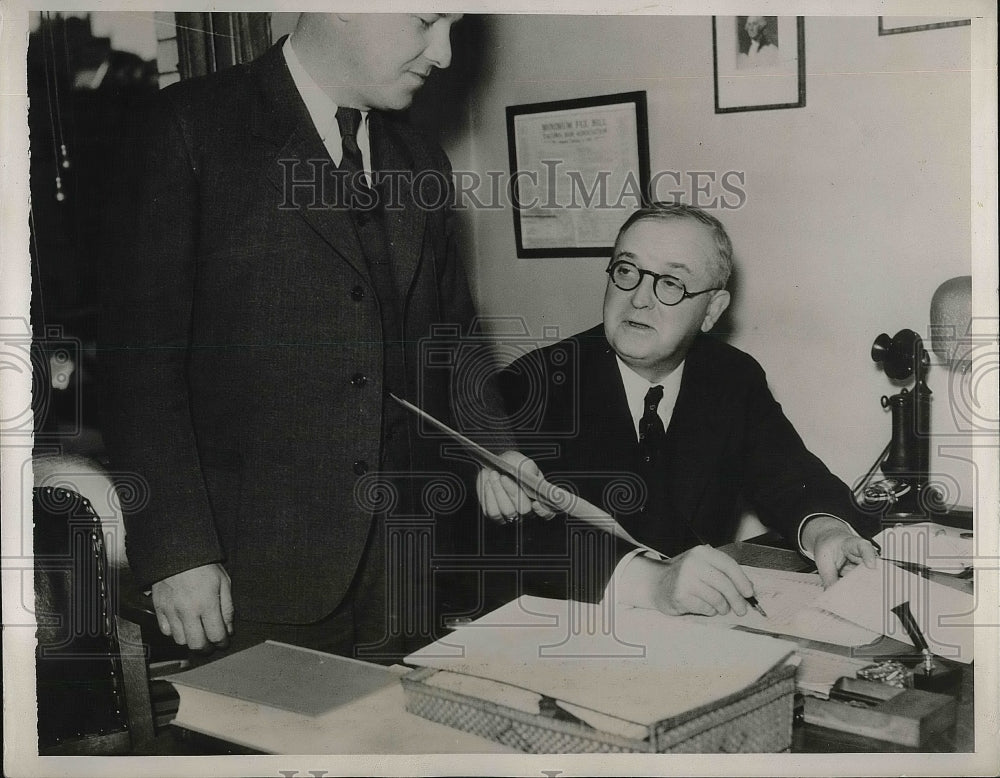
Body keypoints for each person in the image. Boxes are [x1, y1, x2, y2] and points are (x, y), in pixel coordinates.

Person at [101, 13, 544, 662]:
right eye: (425, 22)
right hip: (247, 577)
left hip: (405, 567)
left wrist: (494, 449)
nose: (445, 54)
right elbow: (140, 365)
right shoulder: (190, 127)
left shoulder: (420, 158)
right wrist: (178, 553)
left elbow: (455, 336)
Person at [497, 203, 879, 617]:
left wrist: (827, 531)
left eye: (672, 283)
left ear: (712, 310)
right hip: (576, 630)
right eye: (627, 271)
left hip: (697, 632)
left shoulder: (731, 377)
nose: (639, 299)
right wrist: (648, 581)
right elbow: (515, 544)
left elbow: (790, 477)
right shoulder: (532, 383)